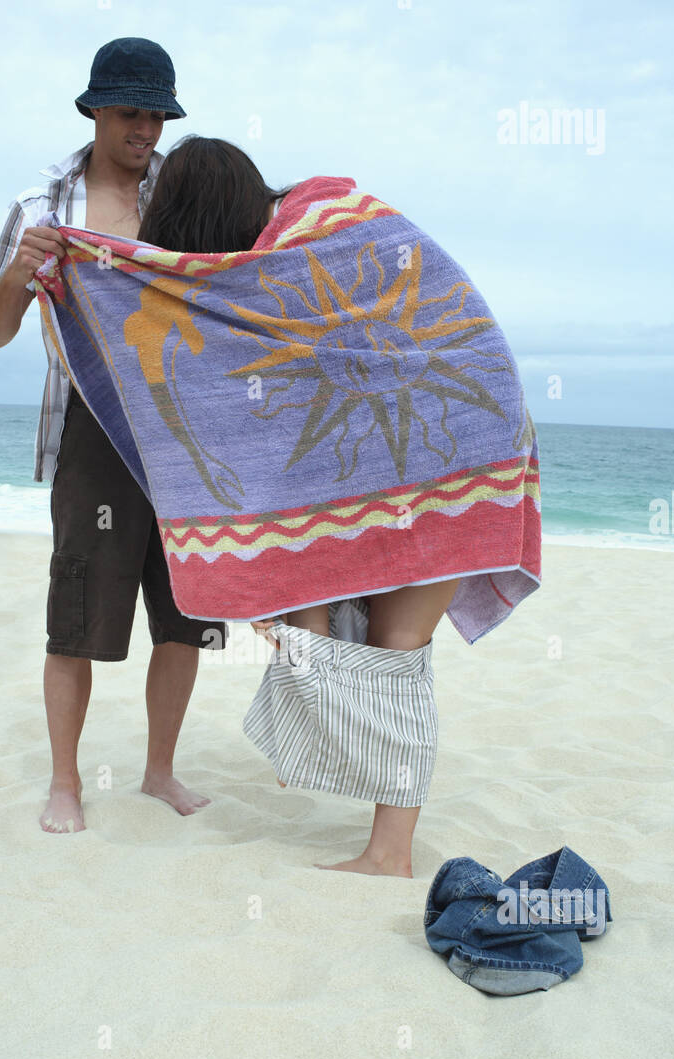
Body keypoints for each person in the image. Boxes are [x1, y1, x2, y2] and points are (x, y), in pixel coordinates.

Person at [138, 137, 462, 876]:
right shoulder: (319, 216)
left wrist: (289, 597)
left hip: (442, 449)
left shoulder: (300, 243)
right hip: (451, 440)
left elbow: (299, 412)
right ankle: (386, 843)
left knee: (396, 648)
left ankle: (388, 851)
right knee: (391, 644)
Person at [0, 39, 228, 833]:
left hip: (185, 428)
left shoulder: (184, 199)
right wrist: (20, 272)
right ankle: (65, 784)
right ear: (93, 110)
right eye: (129, 113)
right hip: (94, 426)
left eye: (156, 114)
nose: (145, 130)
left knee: (187, 611)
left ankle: (159, 773)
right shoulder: (41, 208)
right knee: (77, 609)